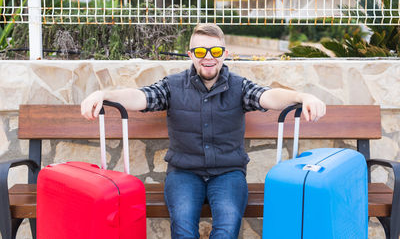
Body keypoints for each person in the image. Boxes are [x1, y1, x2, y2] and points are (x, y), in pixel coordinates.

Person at [81, 23, 326, 239]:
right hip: (184, 173)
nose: (208, 57)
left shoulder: (239, 87)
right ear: (190, 54)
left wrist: (302, 96)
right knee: (183, 229)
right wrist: (103, 94)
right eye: (200, 51)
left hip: (228, 173)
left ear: (225, 54)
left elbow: (267, 95)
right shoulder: (173, 85)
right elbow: (141, 97)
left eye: (215, 51)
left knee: (227, 227)